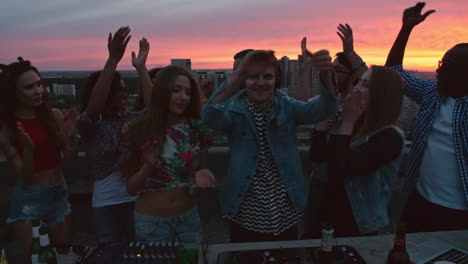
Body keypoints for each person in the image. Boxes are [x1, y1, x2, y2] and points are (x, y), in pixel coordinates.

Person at [202, 49, 337, 242]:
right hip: (245, 211)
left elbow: (325, 109)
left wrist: (325, 73)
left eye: (267, 76)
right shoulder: (234, 111)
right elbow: (209, 117)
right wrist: (238, 74)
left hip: (286, 210)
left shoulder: (287, 107)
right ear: (243, 81)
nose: (261, 82)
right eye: (253, 77)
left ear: (276, 80)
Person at [385, 2, 468, 232]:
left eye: (447, 66)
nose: (439, 70)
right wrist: (406, 29)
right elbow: (394, 74)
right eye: (440, 63)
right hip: (420, 199)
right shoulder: (433, 94)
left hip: (459, 213)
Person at [122, 65, 215, 244]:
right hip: (152, 222)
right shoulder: (137, 130)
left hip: (188, 219)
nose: (183, 97)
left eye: (188, 92)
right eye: (176, 90)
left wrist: (202, 175)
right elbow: (131, 188)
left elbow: (201, 170)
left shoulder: (196, 129)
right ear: (162, 91)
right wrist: (148, 165)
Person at [78, 26, 153, 247]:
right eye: (118, 90)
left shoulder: (127, 118)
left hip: (138, 199)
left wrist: (141, 68)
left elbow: (154, 109)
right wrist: (112, 60)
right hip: (107, 204)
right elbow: (94, 108)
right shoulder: (90, 125)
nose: (124, 94)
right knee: (110, 255)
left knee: (140, 255)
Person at [309, 66, 405, 237]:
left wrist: (348, 121)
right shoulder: (357, 126)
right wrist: (322, 125)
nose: (357, 88)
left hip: (357, 223)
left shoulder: (390, 137)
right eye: (359, 81)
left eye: (366, 85)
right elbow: (319, 160)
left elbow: (342, 168)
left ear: (382, 94)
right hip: (327, 214)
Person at [0, 57, 78, 258]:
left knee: (63, 255)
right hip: (29, 200)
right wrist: (28, 151)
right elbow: (25, 177)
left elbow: (69, 161)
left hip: (59, 193)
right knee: (39, 260)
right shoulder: (7, 128)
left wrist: (70, 137)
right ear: (14, 93)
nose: (38, 91)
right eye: (29, 87)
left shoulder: (53, 116)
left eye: (39, 84)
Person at [304, 24, 368, 238]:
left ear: (352, 75)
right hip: (320, 179)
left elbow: (370, 78)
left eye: (338, 71)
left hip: (347, 184)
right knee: (313, 233)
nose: (334, 74)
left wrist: (350, 52)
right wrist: (308, 68)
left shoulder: (362, 103)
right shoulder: (327, 103)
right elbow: (304, 104)